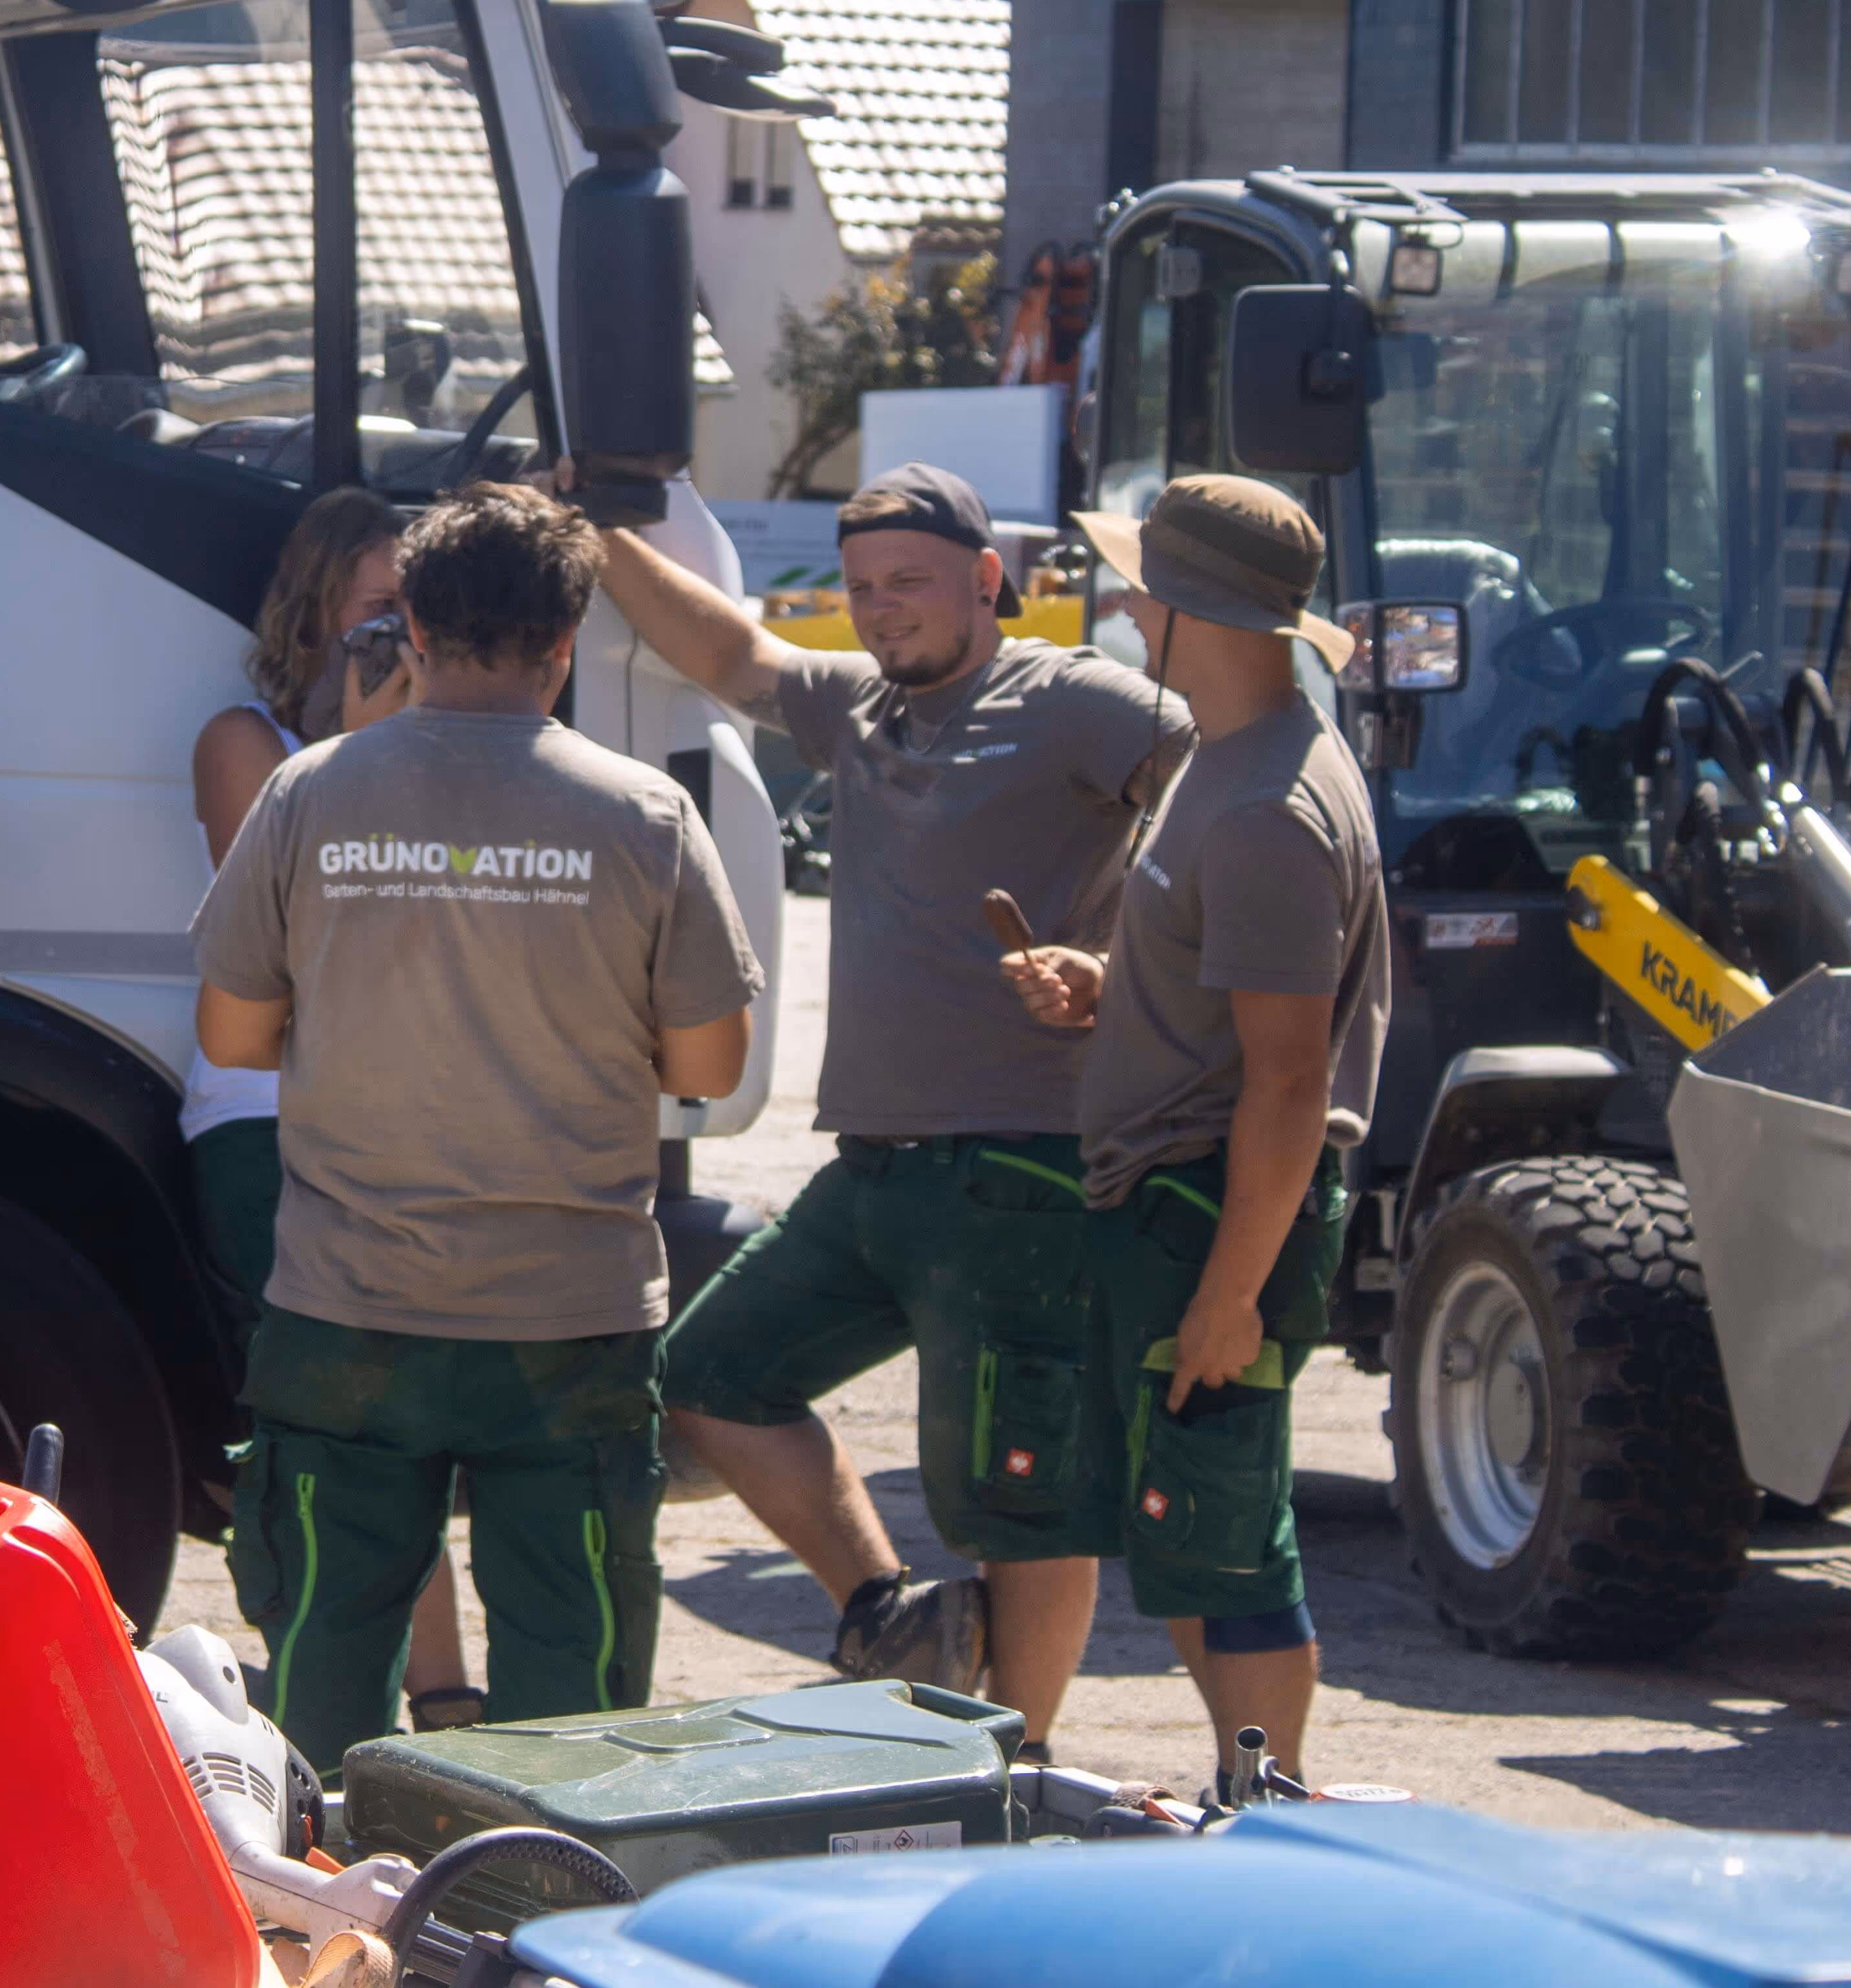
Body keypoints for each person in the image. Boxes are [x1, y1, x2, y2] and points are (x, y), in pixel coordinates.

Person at [591, 464, 1189, 1754]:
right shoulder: (857, 705)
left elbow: (1220, 799)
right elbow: (731, 651)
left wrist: (1122, 966)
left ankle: (1018, 1762)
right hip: (872, 1167)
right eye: (862, 586)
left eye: (910, 580)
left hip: (1026, 1164)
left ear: (988, 579)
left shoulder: (1072, 697)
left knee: (1021, 1498)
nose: (882, 608)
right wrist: (595, 535)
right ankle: (885, 1611)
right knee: (710, 1373)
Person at [192, 484, 763, 1770]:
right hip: (570, 1317)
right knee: (572, 1683)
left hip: (348, 1307)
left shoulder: (306, 793)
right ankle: (537, 1883)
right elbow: (709, 1066)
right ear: (564, 642)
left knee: (325, 1665)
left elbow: (231, 1036)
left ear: (413, 627)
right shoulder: (645, 815)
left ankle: (321, 1885)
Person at [1004, 474, 1385, 1789]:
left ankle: (1268, 1807)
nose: (1122, 606)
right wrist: (1116, 988)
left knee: (1230, 1542)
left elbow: (1288, 1082)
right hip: (1181, 1202)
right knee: (1186, 1534)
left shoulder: (1268, 806)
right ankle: (1248, 1793)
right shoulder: (1231, 759)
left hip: (1211, 1210)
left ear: (1190, 610)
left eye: (1140, 587)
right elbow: (1239, 1009)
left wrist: (1230, 1293)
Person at [185, 487, 478, 1729]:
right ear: (311, 616)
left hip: (404, 1114)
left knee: (403, 1410)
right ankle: (343, 1708)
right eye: (379, 610)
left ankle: (447, 1704)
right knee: (328, 1409)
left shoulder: (452, 750)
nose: (404, 638)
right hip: (265, 1117)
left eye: (423, 615)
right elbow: (284, 922)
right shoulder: (243, 740)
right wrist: (366, 749)